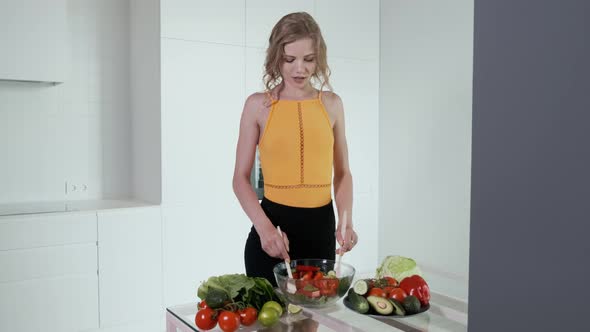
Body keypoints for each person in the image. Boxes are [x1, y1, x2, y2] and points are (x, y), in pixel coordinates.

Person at [232, 12, 358, 286]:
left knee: (308, 325)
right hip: (273, 229)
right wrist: (264, 229)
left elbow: (343, 172)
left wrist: (346, 219)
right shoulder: (257, 105)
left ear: (319, 58)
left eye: (308, 59)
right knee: (270, 326)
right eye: (290, 59)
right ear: (277, 57)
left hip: (321, 231)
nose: (299, 69)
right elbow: (240, 179)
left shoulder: (332, 104)